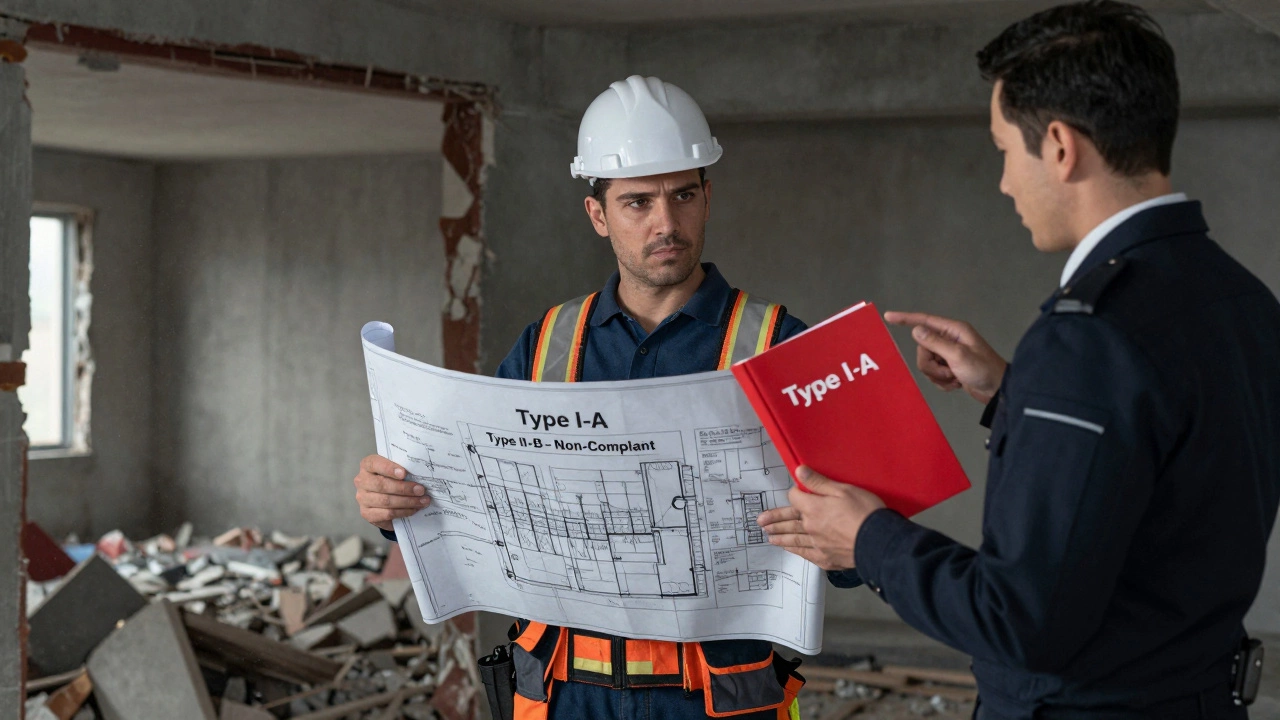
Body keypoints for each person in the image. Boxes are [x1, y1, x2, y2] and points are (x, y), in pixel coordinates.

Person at [758, 2, 1280, 718]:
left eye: (1004, 149)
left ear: (1060, 147)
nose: (1004, 181)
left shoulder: (1088, 337)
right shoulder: (1242, 300)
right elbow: (1165, 473)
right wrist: (1017, 392)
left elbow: (1018, 619)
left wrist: (866, 540)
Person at [354, 75, 811, 720]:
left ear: (707, 198)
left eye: (683, 195)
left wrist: (834, 533)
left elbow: (855, 540)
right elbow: (469, 493)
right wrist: (393, 505)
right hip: (565, 694)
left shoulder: (779, 347)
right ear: (598, 215)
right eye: (637, 202)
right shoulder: (546, 345)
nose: (666, 223)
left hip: (713, 699)